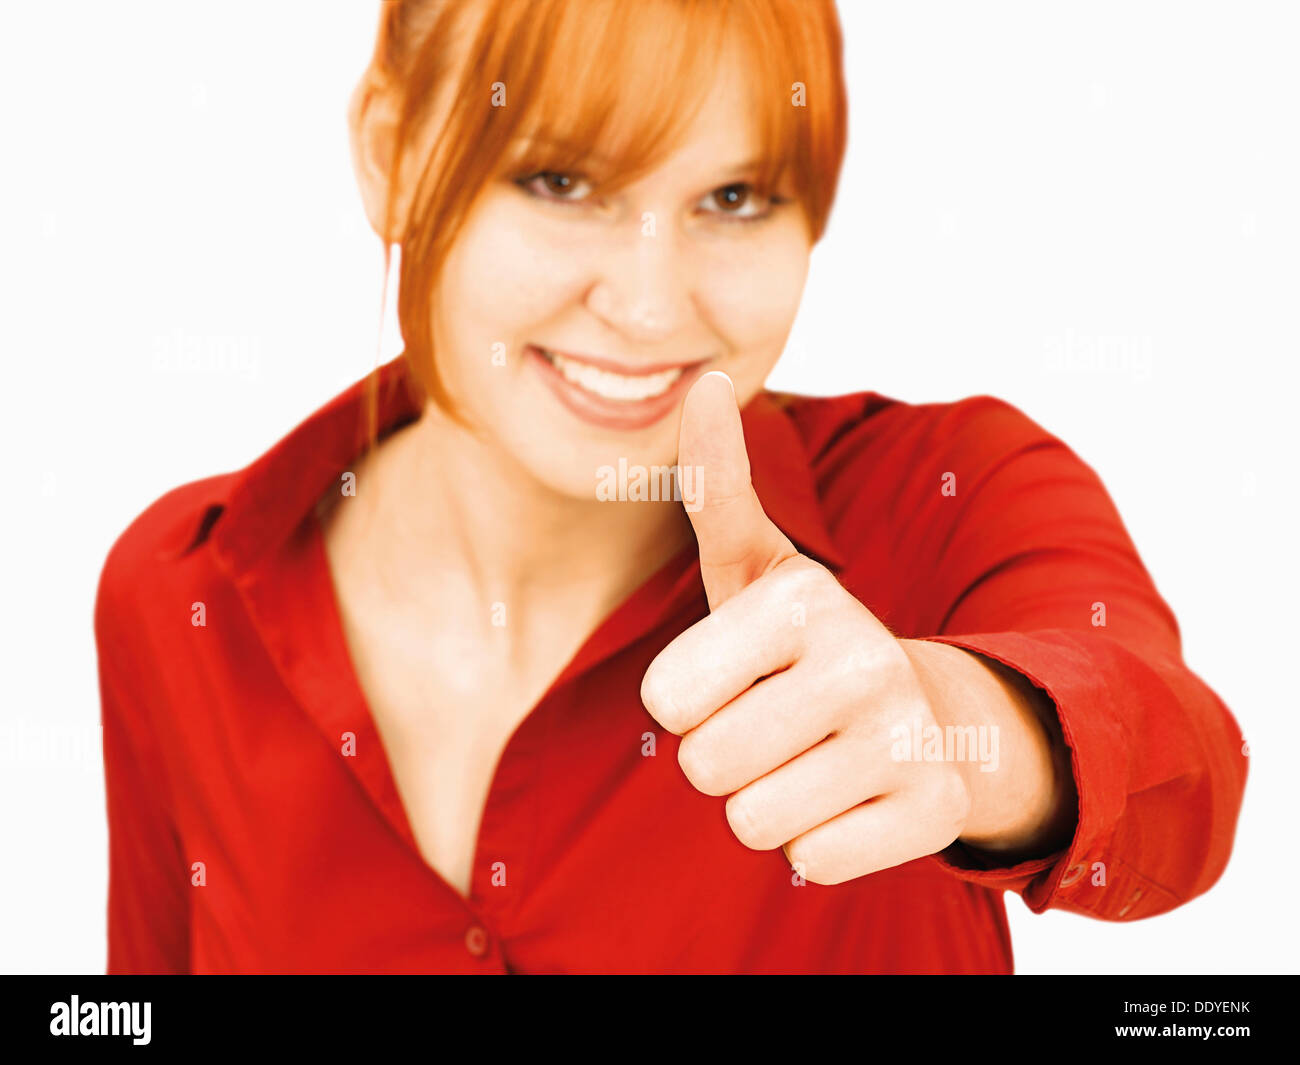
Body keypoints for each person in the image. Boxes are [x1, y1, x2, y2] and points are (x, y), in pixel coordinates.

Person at [95, 0, 1247, 974]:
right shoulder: (176, 594)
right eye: (559, 179)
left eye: (735, 198)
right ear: (390, 154)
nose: (651, 308)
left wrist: (959, 732)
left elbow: (1181, 772)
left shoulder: (943, 495)